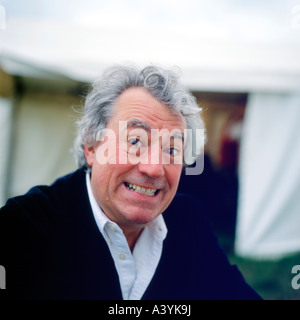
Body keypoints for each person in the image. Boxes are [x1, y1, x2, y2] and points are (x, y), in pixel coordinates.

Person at [0, 64, 261, 300]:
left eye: (172, 150)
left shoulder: (187, 220)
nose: (154, 168)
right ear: (91, 146)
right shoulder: (23, 228)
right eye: (136, 142)